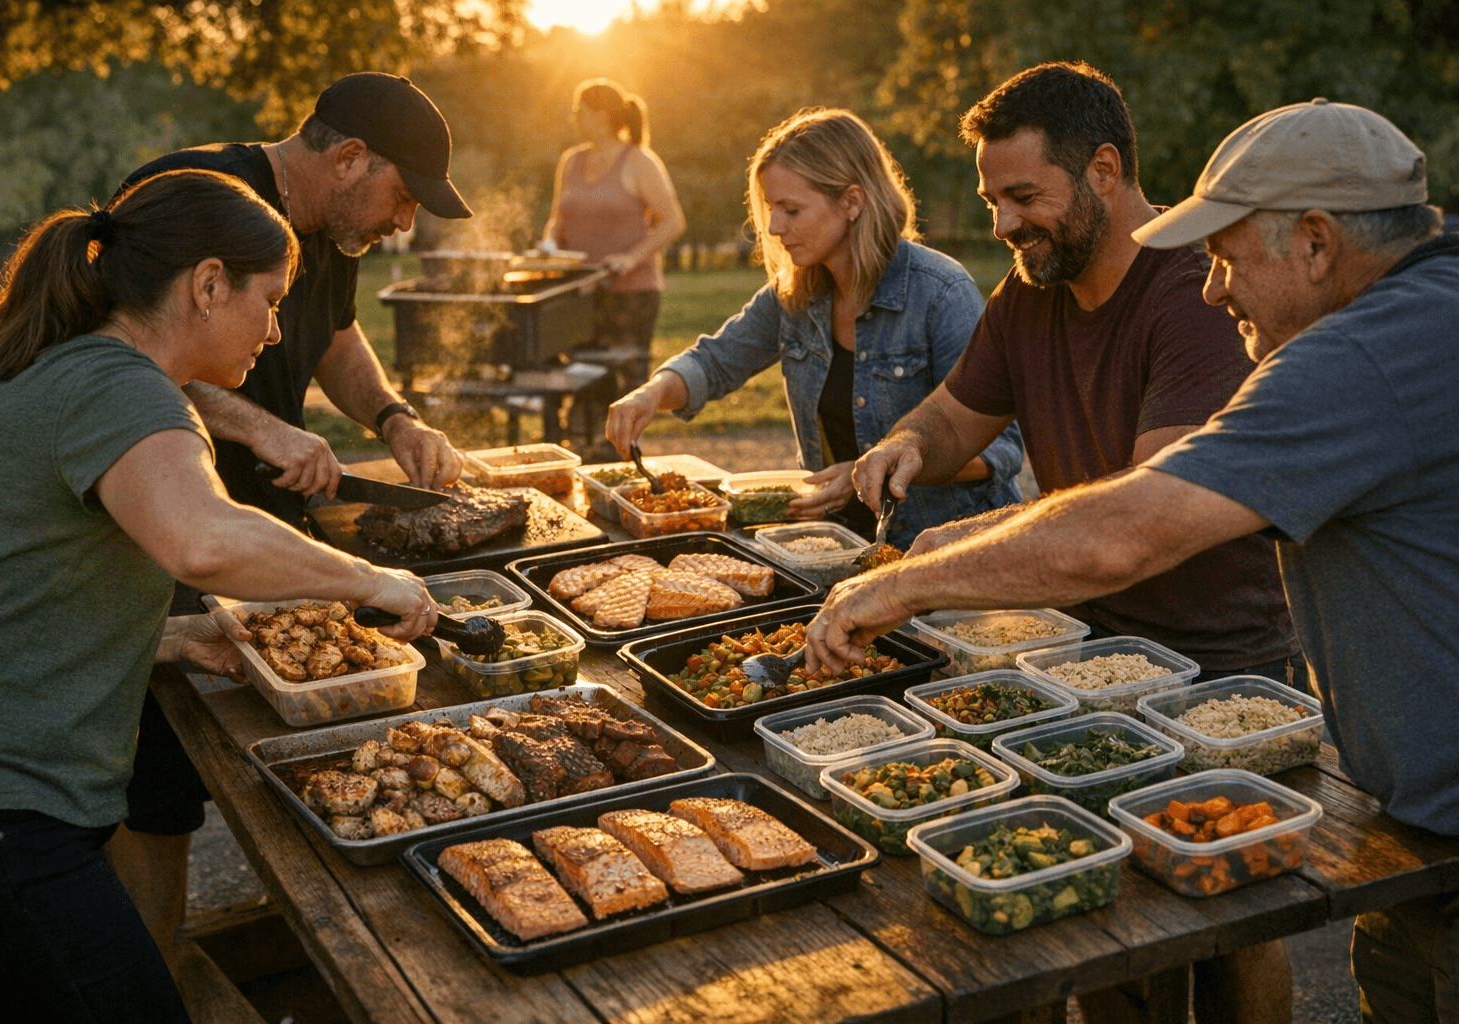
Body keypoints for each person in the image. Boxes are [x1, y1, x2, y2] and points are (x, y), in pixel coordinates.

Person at [809, 98, 1457, 1024]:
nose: (1214, 290)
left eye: (1229, 258)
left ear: (1317, 243)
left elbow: (1131, 529)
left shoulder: (1365, 354)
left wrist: (904, 584)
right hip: (1422, 833)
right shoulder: (1415, 313)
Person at [0, 170, 441, 1023]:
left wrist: (159, 640)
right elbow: (203, 540)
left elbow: (8, 585)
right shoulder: (116, 386)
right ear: (207, 285)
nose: (276, 331)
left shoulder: (76, 368)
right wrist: (371, 579)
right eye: (270, 301)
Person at [844, 62, 1299, 1023]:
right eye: (992, 201)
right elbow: (956, 416)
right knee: (1109, 927)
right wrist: (907, 444)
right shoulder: (1029, 292)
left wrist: (938, 563)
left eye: (1022, 196)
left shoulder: (1197, 293)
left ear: (1103, 170)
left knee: (1234, 915)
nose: (1003, 224)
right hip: (1084, 657)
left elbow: (1136, 521)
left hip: (1217, 661)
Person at [106, 72, 475, 972]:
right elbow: (116, 352)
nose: (403, 224)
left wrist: (393, 418)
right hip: (163, 529)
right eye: (402, 197)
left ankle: (309, 946)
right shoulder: (194, 195)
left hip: (264, 535)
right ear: (349, 158)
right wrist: (256, 424)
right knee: (155, 787)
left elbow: (337, 336)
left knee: (291, 753)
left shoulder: (335, 233)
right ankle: (150, 977)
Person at [605, 108, 1023, 546]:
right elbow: (714, 362)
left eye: (791, 209)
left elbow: (1001, 450)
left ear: (852, 202)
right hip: (840, 541)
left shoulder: (940, 293)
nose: (774, 227)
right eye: (771, 209)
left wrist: (872, 470)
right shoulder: (795, 294)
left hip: (948, 545)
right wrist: (650, 394)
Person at [542, 78, 686, 404]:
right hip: (580, 292)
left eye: (580, 111)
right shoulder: (571, 161)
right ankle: (584, 435)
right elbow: (557, 220)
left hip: (630, 293)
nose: (574, 118)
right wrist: (548, 244)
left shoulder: (638, 161)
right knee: (583, 383)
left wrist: (630, 259)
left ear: (602, 116)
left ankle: (618, 437)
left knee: (625, 387)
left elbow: (673, 221)